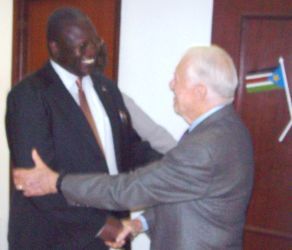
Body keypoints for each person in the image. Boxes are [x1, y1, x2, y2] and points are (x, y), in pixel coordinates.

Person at [14, 45, 254, 250]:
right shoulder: (228, 129)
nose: (171, 85)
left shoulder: (205, 146)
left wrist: (56, 182)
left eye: (177, 79)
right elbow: (180, 192)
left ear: (200, 91)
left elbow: (128, 189)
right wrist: (141, 223)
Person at [6, 7, 162, 250]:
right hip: (56, 239)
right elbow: (36, 182)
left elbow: (129, 149)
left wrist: (172, 166)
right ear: (55, 48)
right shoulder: (29, 96)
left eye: (94, 42)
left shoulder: (107, 89)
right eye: (81, 45)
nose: (91, 52)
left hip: (113, 234)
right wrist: (100, 225)